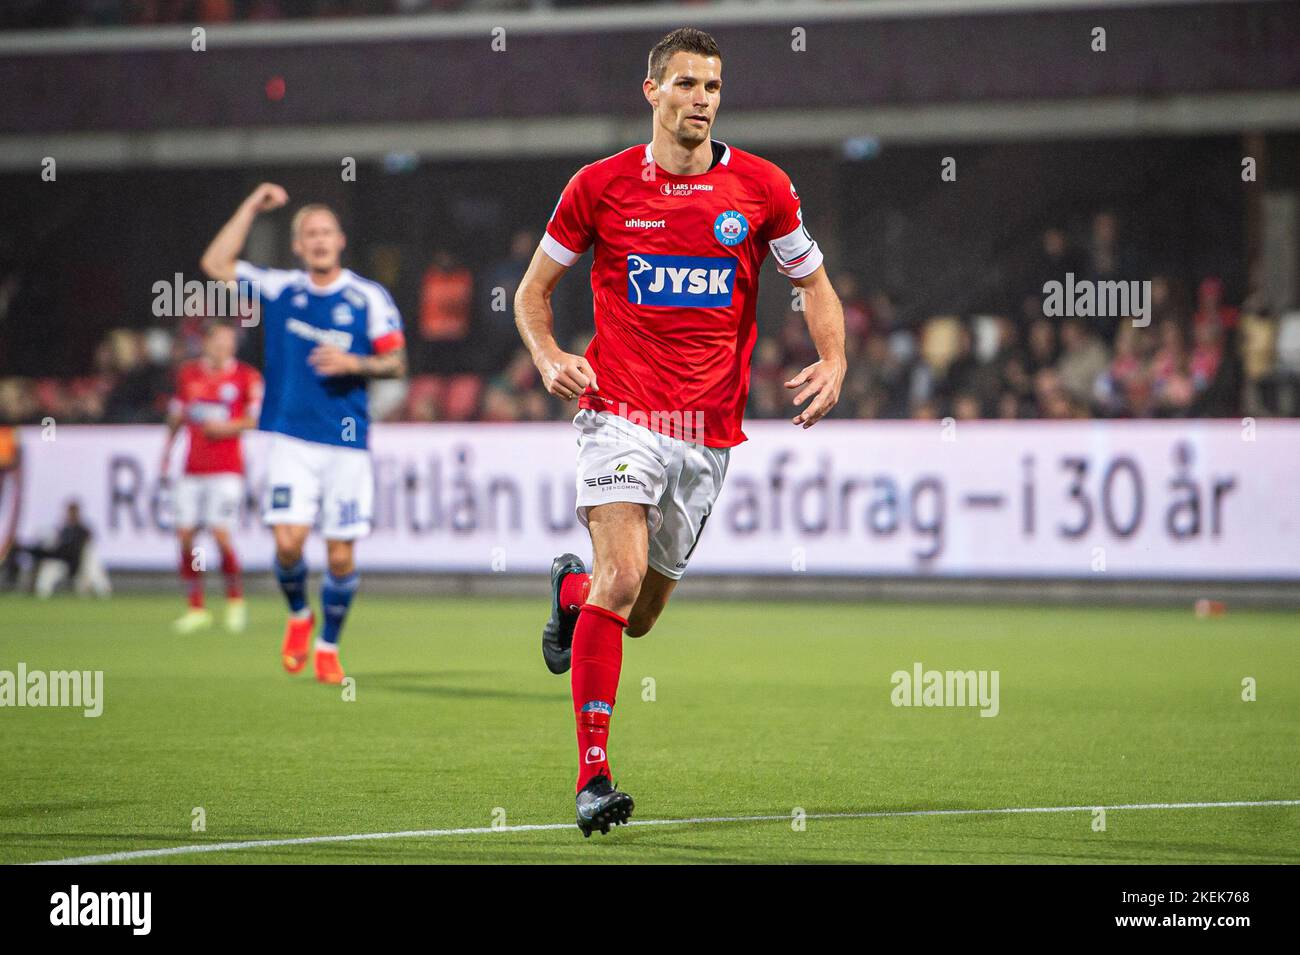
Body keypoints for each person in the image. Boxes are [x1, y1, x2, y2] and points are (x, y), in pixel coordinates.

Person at [513, 27, 845, 836]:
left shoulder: (761, 188)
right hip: (619, 412)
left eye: (713, 87)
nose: (701, 99)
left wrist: (835, 358)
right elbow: (533, 293)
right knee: (620, 582)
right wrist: (551, 353)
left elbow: (816, 284)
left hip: (708, 435)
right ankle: (594, 777)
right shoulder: (599, 187)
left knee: (639, 611)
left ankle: (568, 591)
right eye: (687, 84)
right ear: (652, 91)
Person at [200, 184, 406, 684]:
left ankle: (329, 646)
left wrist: (354, 362)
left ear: (339, 241)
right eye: (308, 233)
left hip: (346, 442)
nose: (318, 240)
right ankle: (298, 615)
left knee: (339, 553)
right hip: (290, 438)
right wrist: (250, 205)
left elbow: (396, 361)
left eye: (326, 232)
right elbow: (215, 264)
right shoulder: (280, 289)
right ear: (297, 246)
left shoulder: (366, 297)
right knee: (289, 544)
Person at [162, 320, 262, 633]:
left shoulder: (247, 377)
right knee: (186, 536)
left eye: (229, 342)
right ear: (206, 343)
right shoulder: (188, 374)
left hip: (227, 468)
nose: (223, 347)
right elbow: (178, 415)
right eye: (218, 341)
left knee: (220, 534)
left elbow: (256, 419)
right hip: (192, 467)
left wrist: (227, 427)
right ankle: (196, 606)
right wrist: (167, 450)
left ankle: (235, 600)